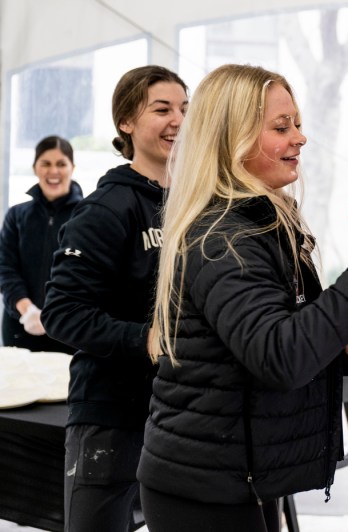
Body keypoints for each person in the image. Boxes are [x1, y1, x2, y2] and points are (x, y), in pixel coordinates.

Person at [135, 64, 348, 532]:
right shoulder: (222, 239)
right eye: (282, 127)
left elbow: (264, 350)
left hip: (239, 476)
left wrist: (344, 352)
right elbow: (282, 356)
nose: (299, 138)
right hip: (203, 490)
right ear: (231, 140)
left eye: (297, 124)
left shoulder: (264, 225)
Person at [41, 65, 188, 532]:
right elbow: (62, 313)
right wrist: (143, 339)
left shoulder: (191, 207)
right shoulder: (106, 209)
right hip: (109, 414)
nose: (178, 121)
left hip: (176, 412)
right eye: (162, 109)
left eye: (185, 109)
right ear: (126, 121)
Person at [0, 135, 82, 353]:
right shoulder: (16, 215)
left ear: (72, 168)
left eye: (61, 164)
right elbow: (5, 269)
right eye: (45, 163)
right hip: (21, 328)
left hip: (72, 331)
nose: (53, 171)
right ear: (35, 168)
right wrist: (27, 310)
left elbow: (92, 274)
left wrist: (63, 314)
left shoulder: (88, 216)